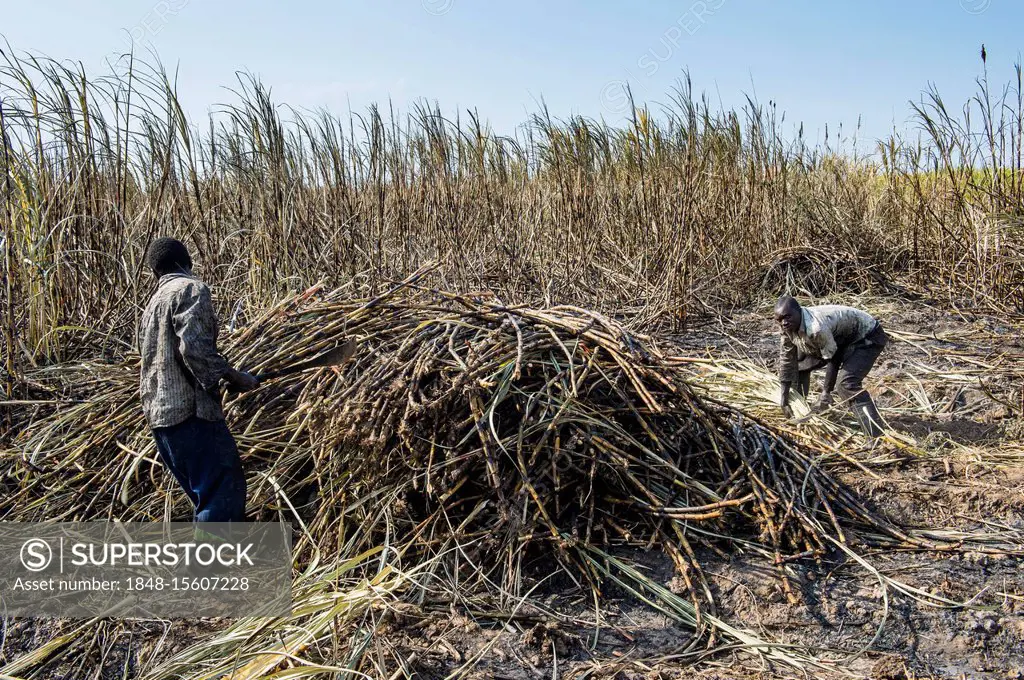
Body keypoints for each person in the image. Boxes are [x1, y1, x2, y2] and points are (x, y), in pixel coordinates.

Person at [138, 237, 260, 522]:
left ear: (156, 272)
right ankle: (207, 567)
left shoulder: (152, 305)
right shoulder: (191, 289)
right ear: (188, 263)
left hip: (161, 420)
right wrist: (233, 376)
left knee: (206, 498)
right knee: (220, 495)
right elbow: (194, 349)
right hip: (191, 415)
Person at [774, 295, 888, 438]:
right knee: (799, 363)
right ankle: (800, 409)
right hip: (840, 338)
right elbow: (786, 360)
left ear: (799, 311)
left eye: (787, 317)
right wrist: (783, 399)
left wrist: (825, 393)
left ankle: (875, 435)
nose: (784, 322)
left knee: (847, 385)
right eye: (779, 320)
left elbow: (834, 358)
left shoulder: (816, 328)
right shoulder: (786, 327)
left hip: (867, 336)